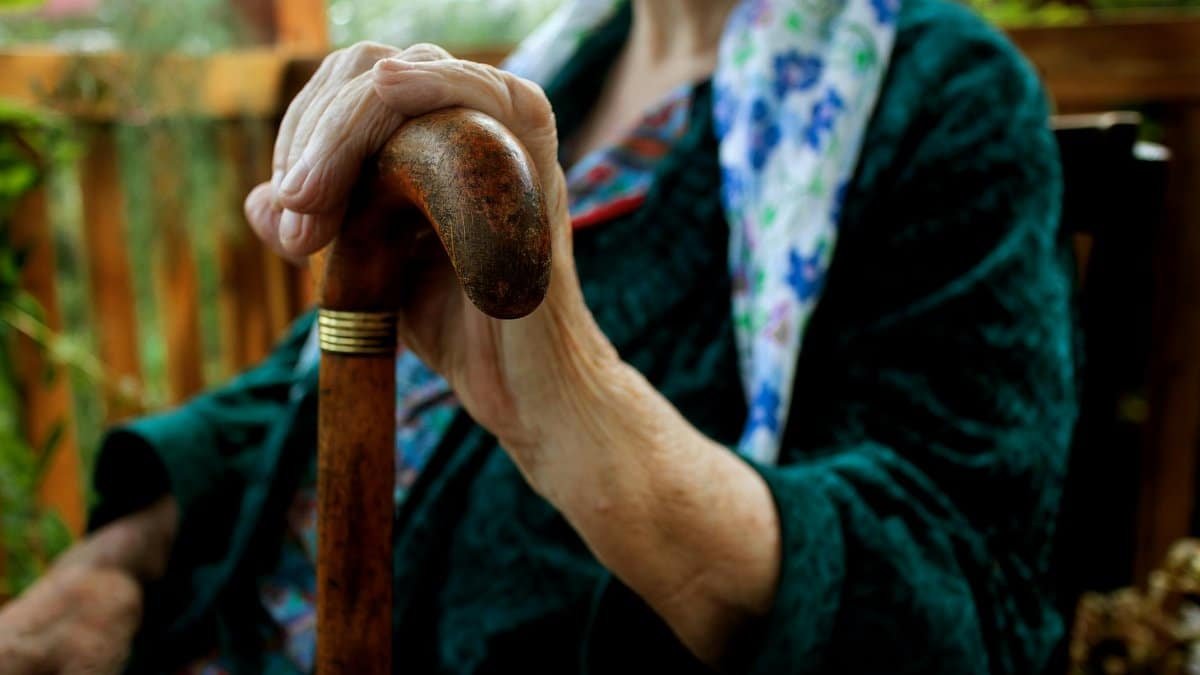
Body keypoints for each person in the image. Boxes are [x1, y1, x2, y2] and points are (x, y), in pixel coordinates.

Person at [0, 0, 1077, 672]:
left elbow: (964, 601)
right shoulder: (560, 64)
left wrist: (580, 403)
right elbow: (304, 381)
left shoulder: (937, 96)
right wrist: (111, 566)